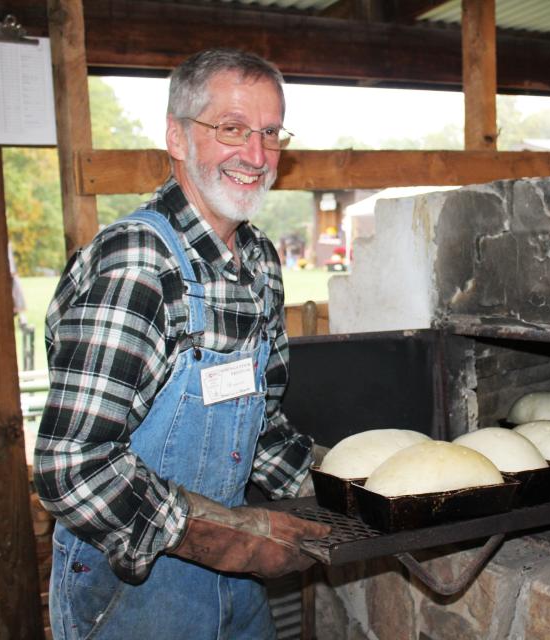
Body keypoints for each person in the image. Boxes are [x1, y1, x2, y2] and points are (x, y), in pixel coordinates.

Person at [34, 48, 330, 640]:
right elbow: (71, 466)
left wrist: (343, 483)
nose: (256, 154)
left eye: (271, 133)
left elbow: (259, 421)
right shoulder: (136, 262)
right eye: (232, 129)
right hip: (132, 595)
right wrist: (224, 539)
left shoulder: (261, 263)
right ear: (176, 136)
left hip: (237, 596)